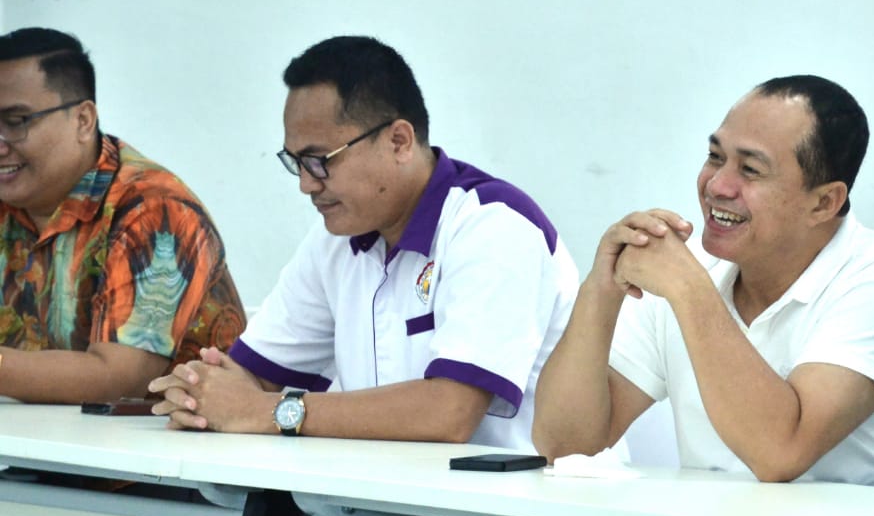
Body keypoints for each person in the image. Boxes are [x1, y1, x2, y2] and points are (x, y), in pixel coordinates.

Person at [148, 34, 577, 457]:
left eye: (320, 161)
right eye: (295, 163)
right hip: (369, 497)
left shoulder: (493, 226)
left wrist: (271, 412)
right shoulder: (335, 240)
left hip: (498, 503)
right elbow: (249, 378)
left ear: (399, 141)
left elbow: (450, 413)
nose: (306, 184)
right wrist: (198, 393)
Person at [531, 74, 874, 485]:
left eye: (751, 169)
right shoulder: (687, 269)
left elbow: (779, 453)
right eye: (715, 157)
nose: (717, 185)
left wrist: (689, 290)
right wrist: (602, 289)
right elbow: (567, 448)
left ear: (824, 203)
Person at [0, 27, 244, 403]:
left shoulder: (156, 211)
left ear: (83, 120)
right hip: (39, 435)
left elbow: (120, 379)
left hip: (170, 436)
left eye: (16, 122)